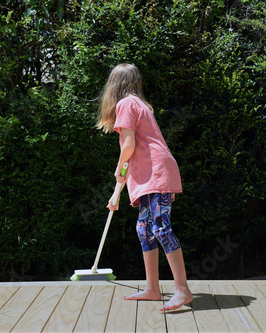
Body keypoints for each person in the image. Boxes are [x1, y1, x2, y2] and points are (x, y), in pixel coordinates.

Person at [96, 63, 193, 311]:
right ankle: (152, 288)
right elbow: (132, 157)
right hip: (152, 174)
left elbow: (127, 147)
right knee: (144, 229)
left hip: (158, 174)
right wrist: (116, 192)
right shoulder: (138, 105)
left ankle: (182, 290)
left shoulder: (125, 104)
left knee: (160, 227)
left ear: (114, 85)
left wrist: (119, 166)